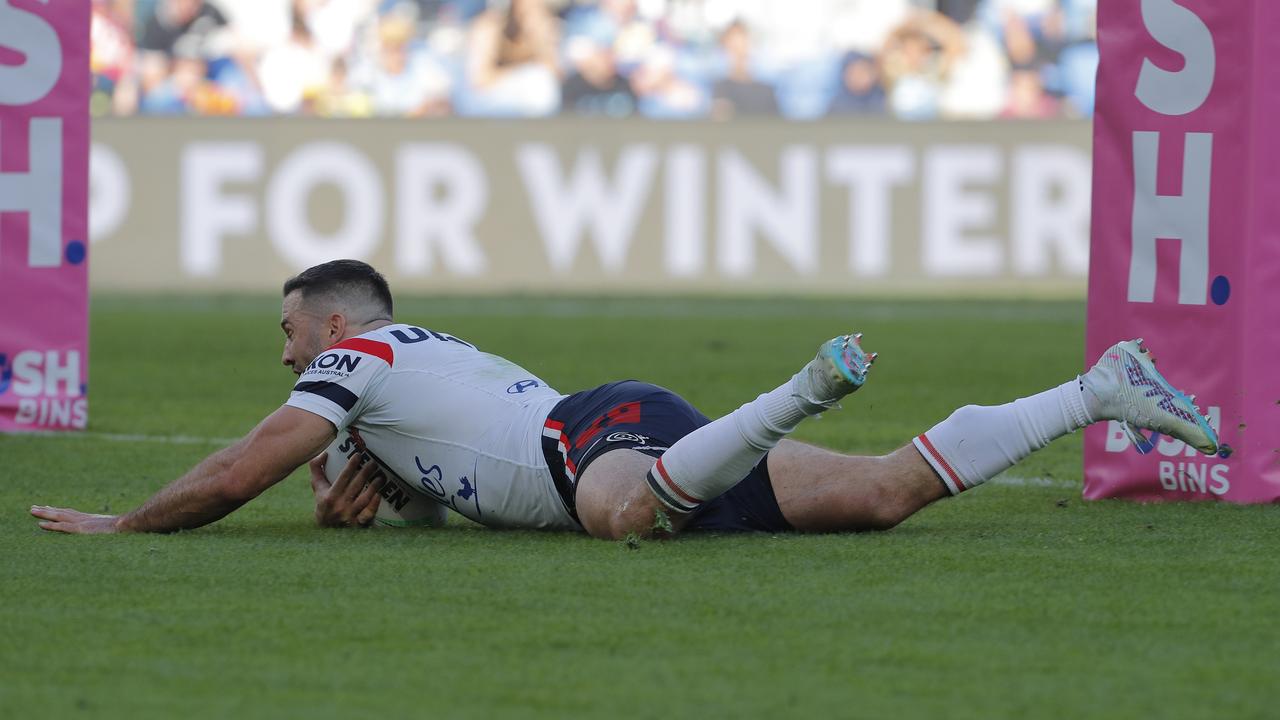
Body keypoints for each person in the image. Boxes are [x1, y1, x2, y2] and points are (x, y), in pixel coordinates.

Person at [31, 260, 1219, 538]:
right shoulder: (408, 367)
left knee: (618, 520)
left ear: (333, 326)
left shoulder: (359, 361)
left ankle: (803, 386)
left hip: (589, 439)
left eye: (288, 337)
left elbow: (242, 469)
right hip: (621, 427)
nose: (283, 360)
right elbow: (459, 468)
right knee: (877, 499)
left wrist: (124, 524)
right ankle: (1096, 387)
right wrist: (398, 497)